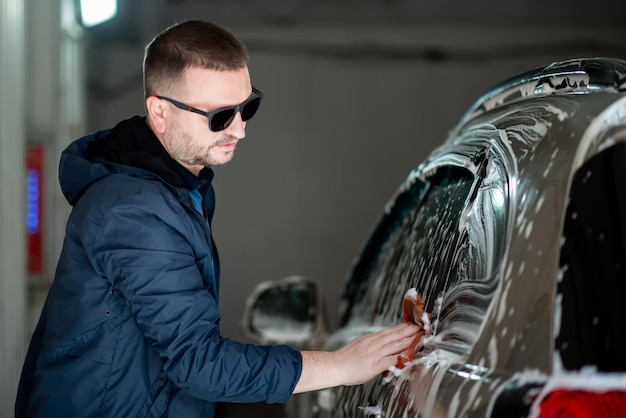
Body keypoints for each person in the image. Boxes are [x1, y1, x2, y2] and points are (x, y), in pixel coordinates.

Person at [16, 20, 419, 417]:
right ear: (159, 112)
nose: (239, 130)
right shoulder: (133, 211)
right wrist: (341, 366)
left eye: (247, 107)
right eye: (220, 116)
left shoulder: (178, 189)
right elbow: (199, 363)